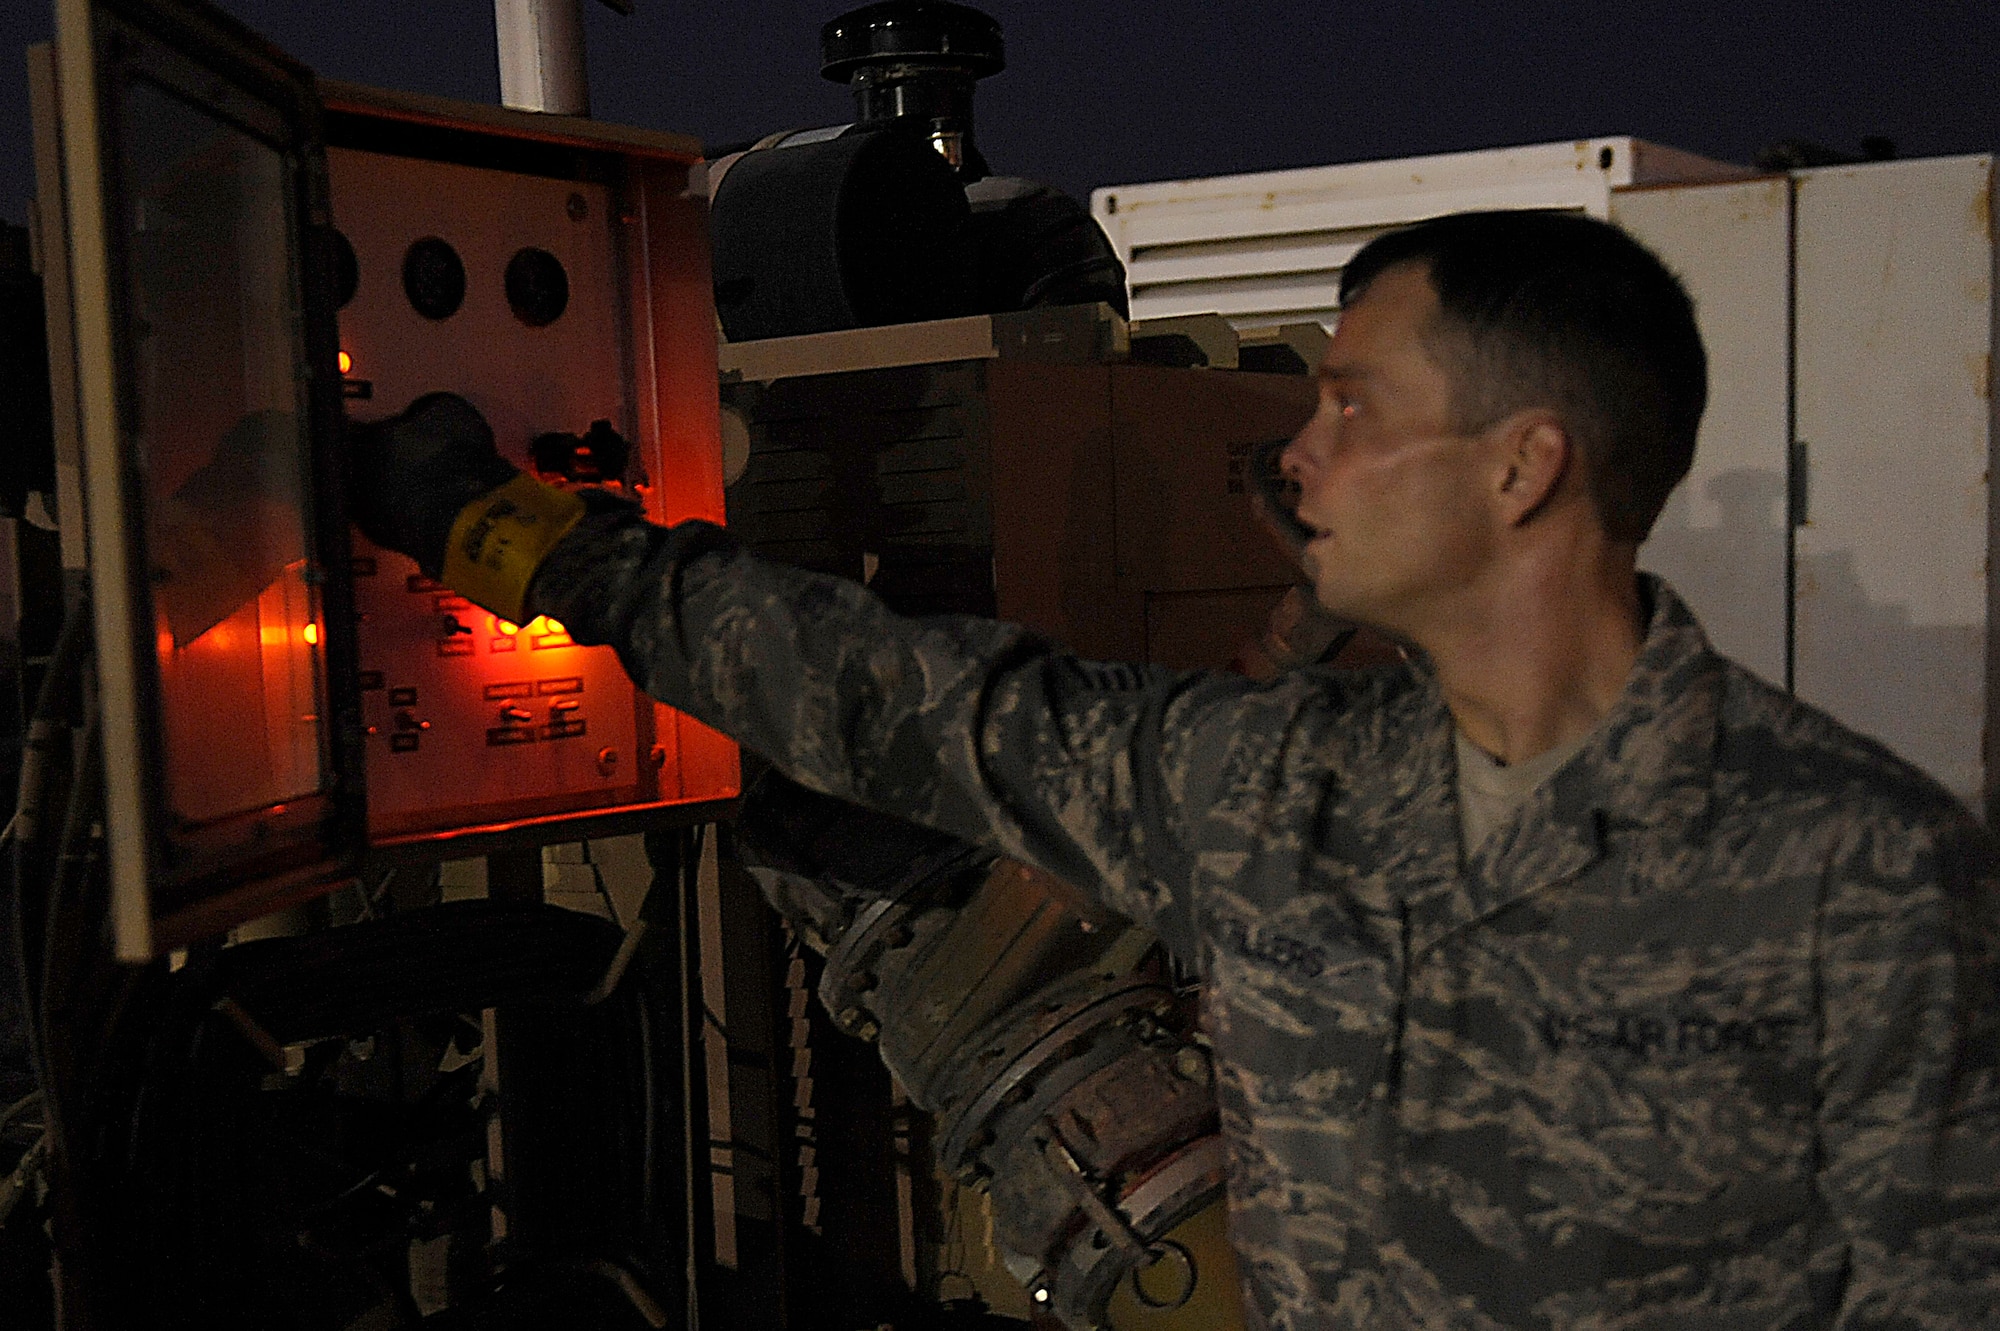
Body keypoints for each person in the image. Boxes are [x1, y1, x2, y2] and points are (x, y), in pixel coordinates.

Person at [350, 210, 2000, 1328]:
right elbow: (913, 705)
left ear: (1525, 466)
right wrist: (526, 541)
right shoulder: (1279, 788)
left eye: (1353, 407)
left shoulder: (1869, 878)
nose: (1297, 452)